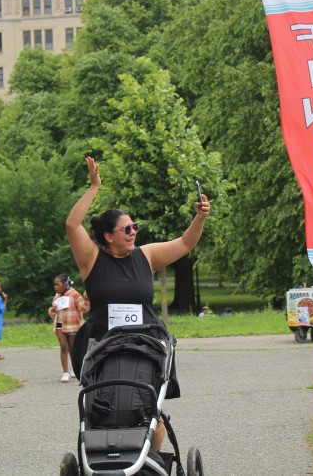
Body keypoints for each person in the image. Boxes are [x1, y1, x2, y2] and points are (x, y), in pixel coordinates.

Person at [66, 156, 210, 449]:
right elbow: (72, 224)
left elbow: (185, 243)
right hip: (104, 346)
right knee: (105, 406)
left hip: (144, 345)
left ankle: (149, 457)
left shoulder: (146, 256)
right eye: (127, 229)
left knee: (148, 412)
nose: (134, 232)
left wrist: (200, 217)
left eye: (135, 226)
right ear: (108, 236)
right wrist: (94, 187)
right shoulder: (91, 259)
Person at [49, 273, 89, 382]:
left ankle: (74, 368)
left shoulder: (74, 294)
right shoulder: (56, 297)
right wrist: (52, 310)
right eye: (54, 285)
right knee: (63, 347)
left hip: (72, 326)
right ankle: (65, 372)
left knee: (72, 348)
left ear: (65, 284)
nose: (55, 287)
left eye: (57, 284)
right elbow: (53, 311)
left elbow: (83, 309)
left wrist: (86, 299)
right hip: (59, 325)